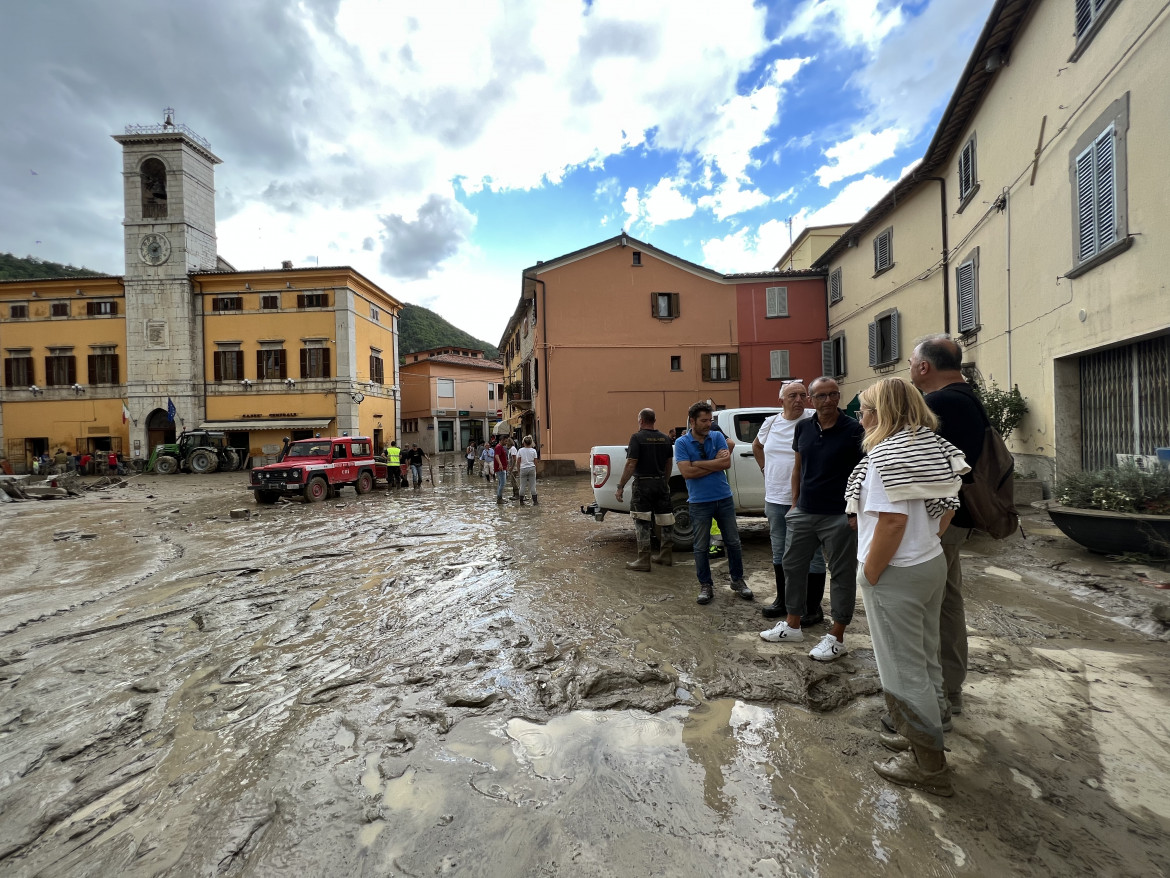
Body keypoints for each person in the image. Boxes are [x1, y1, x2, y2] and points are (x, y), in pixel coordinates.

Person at [847, 378, 969, 797]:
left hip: (895, 571)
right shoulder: (932, 447)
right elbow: (949, 507)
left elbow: (892, 521)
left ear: (883, 414)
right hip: (930, 563)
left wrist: (871, 572)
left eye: (864, 409)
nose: (860, 418)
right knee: (927, 657)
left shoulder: (884, 457)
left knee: (903, 671)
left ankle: (929, 766)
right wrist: (927, 541)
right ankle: (930, 729)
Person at [908, 335, 987, 717]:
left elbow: (914, 464)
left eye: (911, 362)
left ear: (924, 367)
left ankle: (936, 696)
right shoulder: (968, 398)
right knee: (946, 600)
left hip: (939, 518)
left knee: (930, 605)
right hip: (955, 514)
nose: (909, 368)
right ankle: (949, 688)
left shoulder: (938, 403)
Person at [760, 376, 865, 662]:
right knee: (793, 566)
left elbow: (863, 474)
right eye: (821, 396)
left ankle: (837, 636)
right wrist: (795, 504)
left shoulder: (854, 430)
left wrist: (855, 511)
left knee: (842, 575)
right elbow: (798, 468)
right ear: (812, 400)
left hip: (839, 515)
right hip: (804, 511)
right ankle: (793, 624)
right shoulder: (803, 428)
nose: (829, 400)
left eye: (834, 395)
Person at [752, 381, 826, 622]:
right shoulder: (771, 423)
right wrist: (764, 468)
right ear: (781, 400)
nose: (798, 399)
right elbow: (757, 445)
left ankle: (812, 606)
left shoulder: (814, 419)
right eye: (792, 395)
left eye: (802, 395)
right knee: (780, 550)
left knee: (812, 553)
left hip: (808, 500)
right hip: (775, 498)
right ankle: (783, 601)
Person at [674, 400, 752, 605]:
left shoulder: (717, 436)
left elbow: (725, 463)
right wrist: (712, 464)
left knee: (733, 543)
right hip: (699, 501)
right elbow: (686, 473)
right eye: (704, 420)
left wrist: (697, 463)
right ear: (692, 421)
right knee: (700, 546)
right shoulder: (682, 443)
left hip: (724, 498)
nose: (708, 424)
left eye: (710, 420)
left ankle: (738, 580)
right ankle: (705, 585)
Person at [614, 408, 674, 570]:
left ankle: (643, 559)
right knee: (666, 519)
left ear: (641, 420)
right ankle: (666, 555)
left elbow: (631, 463)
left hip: (643, 484)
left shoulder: (637, 438)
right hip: (661, 483)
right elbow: (669, 463)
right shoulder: (665, 439)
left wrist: (620, 486)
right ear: (654, 420)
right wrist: (665, 482)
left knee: (642, 521)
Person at [515, 436, 539, 505]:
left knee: (522, 485)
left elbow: (518, 461)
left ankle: (521, 501)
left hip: (523, 468)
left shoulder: (520, 450)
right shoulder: (533, 451)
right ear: (531, 442)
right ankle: (535, 501)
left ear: (524, 443)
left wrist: (518, 470)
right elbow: (535, 461)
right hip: (532, 468)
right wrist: (536, 470)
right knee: (533, 485)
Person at [493, 437, 511, 504]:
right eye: (505, 441)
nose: (506, 443)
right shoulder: (498, 447)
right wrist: (500, 464)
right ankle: (499, 498)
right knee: (503, 483)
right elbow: (496, 456)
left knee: (500, 483)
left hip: (502, 467)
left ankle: (500, 498)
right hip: (500, 468)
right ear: (502, 440)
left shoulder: (500, 447)